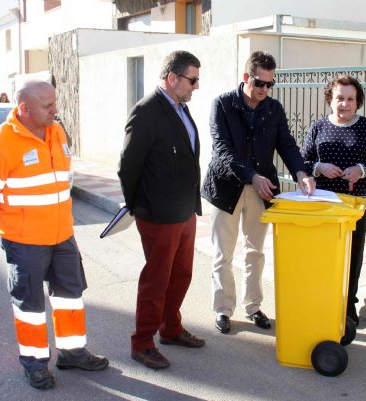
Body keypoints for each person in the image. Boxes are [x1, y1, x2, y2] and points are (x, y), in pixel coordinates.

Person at [0, 80, 108, 391]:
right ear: (24, 108)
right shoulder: (0, 142)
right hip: (24, 240)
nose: (55, 110)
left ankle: (72, 353)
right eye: (48, 106)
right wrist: (11, 220)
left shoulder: (55, 131)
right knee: (30, 305)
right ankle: (34, 363)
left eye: (54, 102)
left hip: (62, 236)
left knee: (70, 297)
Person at [202, 51, 316, 334]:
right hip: (226, 187)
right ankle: (223, 309)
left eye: (270, 84)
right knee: (223, 253)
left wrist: (301, 172)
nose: (265, 89)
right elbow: (222, 149)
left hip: (260, 191)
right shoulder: (223, 104)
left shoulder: (273, 109)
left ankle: (253, 306)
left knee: (256, 252)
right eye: (259, 83)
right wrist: (252, 176)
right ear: (246, 78)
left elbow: (286, 144)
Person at [118, 50, 204, 371]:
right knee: (156, 280)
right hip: (158, 215)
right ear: (172, 78)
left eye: (197, 80)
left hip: (184, 212)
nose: (195, 86)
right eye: (192, 80)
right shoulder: (146, 112)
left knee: (181, 275)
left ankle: (171, 329)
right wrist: (139, 207)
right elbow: (128, 167)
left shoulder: (180, 109)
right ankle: (142, 342)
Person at [301, 75, 366, 327]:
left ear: (358, 102)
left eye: (350, 99)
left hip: (354, 207)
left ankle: (348, 304)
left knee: (352, 257)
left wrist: (361, 169)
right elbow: (301, 161)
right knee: (323, 257)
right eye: (339, 98)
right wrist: (319, 167)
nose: (345, 104)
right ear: (330, 99)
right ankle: (322, 300)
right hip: (323, 207)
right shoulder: (318, 127)